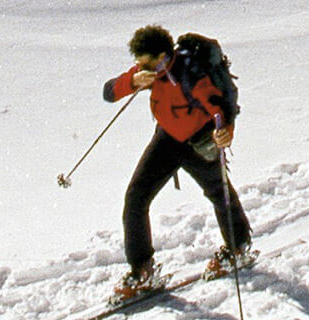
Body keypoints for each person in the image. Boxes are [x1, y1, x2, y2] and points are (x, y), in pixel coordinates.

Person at [102, 24, 252, 299]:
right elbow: (109, 92)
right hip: (167, 140)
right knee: (136, 199)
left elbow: (219, 106)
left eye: (147, 63)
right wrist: (134, 82)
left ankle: (239, 247)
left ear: (162, 56)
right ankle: (142, 271)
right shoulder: (146, 72)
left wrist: (225, 129)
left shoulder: (190, 74)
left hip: (198, 143)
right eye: (139, 64)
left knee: (219, 193)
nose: (143, 68)